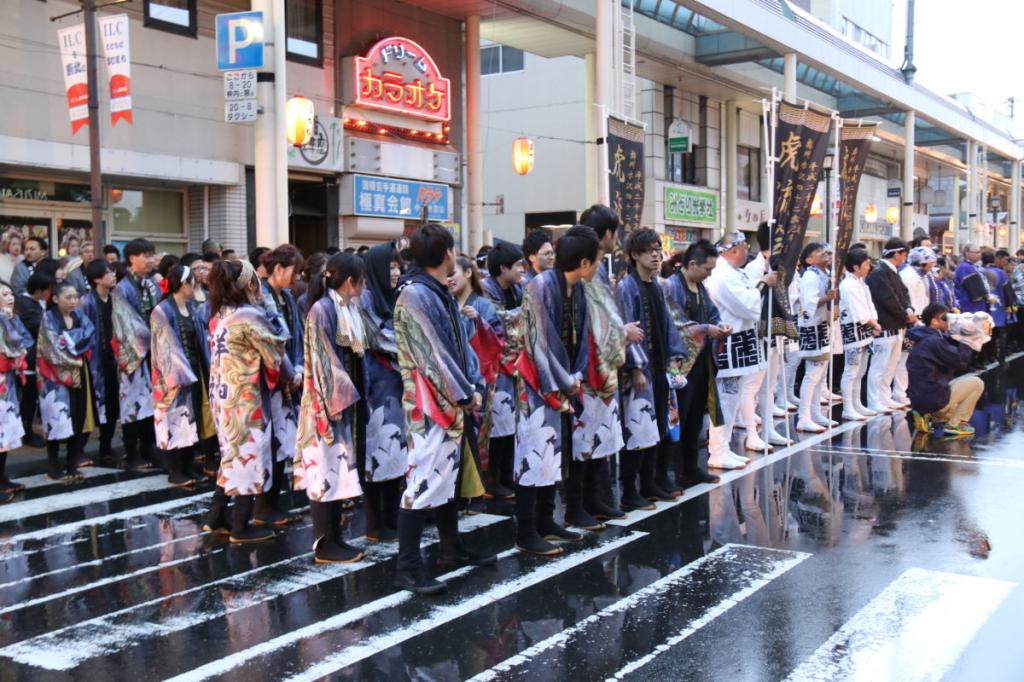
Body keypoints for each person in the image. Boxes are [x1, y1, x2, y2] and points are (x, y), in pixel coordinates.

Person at [392, 223, 493, 595]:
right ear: (447, 254)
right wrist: (465, 393)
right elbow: (432, 355)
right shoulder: (416, 294)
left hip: (444, 397)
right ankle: (407, 566)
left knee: (445, 478)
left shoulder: (431, 290)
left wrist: (468, 387)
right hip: (429, 403)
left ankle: (451, 548)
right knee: (423, 479)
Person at [515, 225, 603, 555]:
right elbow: (538, 342)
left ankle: (546, 520)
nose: (597, 266)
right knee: (533, 451)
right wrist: (566, 381)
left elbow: (580, 337)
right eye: (595, 260)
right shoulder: (540, 286)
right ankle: (525, 530)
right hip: (537, 383)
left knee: (555, 451)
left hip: (563, 381)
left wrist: (576, 374)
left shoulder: (577, 288)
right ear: (583, 262)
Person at [294, 252, 368, 564]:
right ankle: (325, 544)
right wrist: (337, 401)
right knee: (325, 469)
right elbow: (323, 361)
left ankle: (336, 538)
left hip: (342, 401)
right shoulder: (323, 310)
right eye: (362, 281)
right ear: (351, 282)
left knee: (337, 470)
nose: (364, 287)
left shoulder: (345, 307)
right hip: (328, 404)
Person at [206, 258, 287, 544]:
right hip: (246, 397)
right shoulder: (251, 316)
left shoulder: (220, 315)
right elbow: (275, 354)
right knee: (248, 455)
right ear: (249, 284)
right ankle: (241, 525)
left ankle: (216, 516)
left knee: (231, 453)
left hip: (222, 394)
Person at [617, 228, 687, 509]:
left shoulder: (656, 285)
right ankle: (630, 490)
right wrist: (634, 368)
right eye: (650, 251)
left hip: (658, 367)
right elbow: (626, 327)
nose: (657, 256)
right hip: (640, 370)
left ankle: (650, 483)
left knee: (656, 425)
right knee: (637, 427)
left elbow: (668, 326)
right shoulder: (626, 287)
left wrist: (675, 354)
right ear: (635, 255)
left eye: (658, 250)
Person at [578, 204, 636, 512]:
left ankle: (596, 500)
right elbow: (600, 319)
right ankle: (593, 501)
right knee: (594, 432)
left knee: (596, 433)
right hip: (593, 362)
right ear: (608, 233)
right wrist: (621, 331)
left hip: (593, 359)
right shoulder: (593, 269)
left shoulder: (592, 268)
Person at [705, 232, 775, 468]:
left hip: (738, 339)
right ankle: (717, 450)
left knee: (732, 397)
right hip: (728, 340)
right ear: (734, 250)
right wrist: (763, 284)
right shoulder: (722, 274)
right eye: (744, 247)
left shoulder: (733, 272)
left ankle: (723, 448)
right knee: (725, 398)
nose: (747, 251)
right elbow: (746, 305)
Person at [661, 240, 727, 487]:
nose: (709, 274)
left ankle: (691, 467)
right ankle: (671, 472)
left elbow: (713, 314)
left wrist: (718, 326)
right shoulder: (671, 286)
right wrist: (705, 329)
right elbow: (675, 325)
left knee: (696, 417)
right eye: (707, 269)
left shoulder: (700, 287)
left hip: (700, 362)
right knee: (678, 418)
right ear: (692, 264)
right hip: (681, 365)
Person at [357, 242, 407, 543]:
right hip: (375, 386)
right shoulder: (364, 299)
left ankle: (391, 518)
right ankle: (375, 523)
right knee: (377, 453)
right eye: (390, 266)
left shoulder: (395, 296)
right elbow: (377, 338)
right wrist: (408, 347)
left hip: (396, 386)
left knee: (396, 452)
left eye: (397, 265)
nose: (396, 271)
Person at [151, 265, 212, 488]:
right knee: (173, 419)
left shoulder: (193, 308)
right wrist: (179, 373)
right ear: (183, 284)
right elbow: (164, 346)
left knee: (190, 417)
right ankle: (174, 470)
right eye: (193, 283)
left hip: (194, 372)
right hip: (171, 376)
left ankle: (187, 465)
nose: (195, 287)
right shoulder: (162, 311)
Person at [449, 255, 499, 512]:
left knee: (476, 435)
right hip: (454, 380)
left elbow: (498, 342)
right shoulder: (445, 303)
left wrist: (478, 321)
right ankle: (462, 492)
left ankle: (476, 491)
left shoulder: (483, 305)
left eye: (453, 272)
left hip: (479, 379)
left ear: (468, 273)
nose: (450, 278)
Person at [260, 245, 305, 522]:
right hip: (271, 380)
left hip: (289, 377)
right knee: (270, 442)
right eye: (294, 271)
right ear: (278, 269)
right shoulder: (261, 298)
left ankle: (275, 503)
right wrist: (290, 373)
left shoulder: (287, 296)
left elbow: (296, 337)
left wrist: (298, 368)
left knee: (283, 442)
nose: (297, 277)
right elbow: (271, 344)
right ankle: (264, 507)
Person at [36, 281, 95, 481]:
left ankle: (71, 463)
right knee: (56, 419)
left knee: (77, 418)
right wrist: (75, 346)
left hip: (79, 374)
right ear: (55, 299)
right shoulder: (48, 318)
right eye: (68, 297)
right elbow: (51, 346)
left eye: (75, 297)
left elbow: (89, 334)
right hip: (54, 377)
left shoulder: (79, 316)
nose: (73, 301)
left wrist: (69, 341)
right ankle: (54, 467)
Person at [479, 241, 524, 500]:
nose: (522, 270)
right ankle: (492, 479)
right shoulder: (486, 291)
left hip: (515, 366)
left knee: (511, 425)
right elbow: (497, 324)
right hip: (496, 367)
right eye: (518, 265)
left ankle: (507, 475)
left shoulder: (517, 289)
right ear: (503, 267)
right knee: (497, 425)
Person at [112, 238, 160, 471]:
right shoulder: (122, 288)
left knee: (151, 403)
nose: (151, 260)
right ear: (132, 258)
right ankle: (131, 454)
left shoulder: (151, 284)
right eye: (146, 255)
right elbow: (125, 324)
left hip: (152, 352)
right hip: (133, 355)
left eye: (152, 255)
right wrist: (154, 339)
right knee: (132, 405)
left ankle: (148, 449)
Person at [906, 303, 983, 437]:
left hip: (919, 399)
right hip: (932, 398)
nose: (949, 321)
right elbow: (961, 362)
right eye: (945, 318)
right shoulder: (934, 341)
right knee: (976, 383)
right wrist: (966, 338)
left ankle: (929, 416)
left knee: (951, 395)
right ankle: (956, 423)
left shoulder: (923, 336)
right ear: (934, 322)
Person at [865, 237, 916, 413]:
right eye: (904, 254)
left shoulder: (892, 271)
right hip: (885, 325)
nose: (905, 258)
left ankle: (885, 397)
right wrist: (905, 313)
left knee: (891, 365)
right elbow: (887, 299)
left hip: (897, 324)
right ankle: (874, 400)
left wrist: (909, 309)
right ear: (896, 253)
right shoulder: (879, 272)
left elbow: (903, 294)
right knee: (880, 365)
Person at [794, 242, 839, 433]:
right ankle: (804, 417)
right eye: (820, 252)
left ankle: (815, 412)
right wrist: (827, 299)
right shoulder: (810, 276)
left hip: (823, 326)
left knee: (821, 375)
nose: (825, 255)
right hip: (812, 327)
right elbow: (809, 304)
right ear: (809, 259)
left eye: (827, 252)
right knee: (812, 375)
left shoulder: (826, 274)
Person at [79, 260, 120, 466]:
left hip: (112, 359)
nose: (113, 275)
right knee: (91, 405)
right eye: (108, 272)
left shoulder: (115, 299)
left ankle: (106, 447)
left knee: (112, 404)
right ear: (96, 279)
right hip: (93, 361)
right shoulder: (87, 302)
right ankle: (79, 450)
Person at [837, 249, 882, 421]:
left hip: (865, 330)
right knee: (851, 370)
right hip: (853, 330)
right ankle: (848, 407)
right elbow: (859, 312)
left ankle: (857, 404)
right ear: (856, 267)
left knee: (861, 370)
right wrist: (874, 323)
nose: (869, 267)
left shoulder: (861, 282)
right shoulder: (848, 285)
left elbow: (869, 306)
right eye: (866, 264)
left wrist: (874, 323)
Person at [0, 280, 31, 500]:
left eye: (10, 293)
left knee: (6, 433)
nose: (9, 298)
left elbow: (25, 341)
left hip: (7, 381)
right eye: (4, 294)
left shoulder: (13, 318)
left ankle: (2, 478)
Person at [15, 272, 50, 448]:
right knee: (28, 399)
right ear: (39, 290)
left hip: (33, 357)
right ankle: (26, 432)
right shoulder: (27, 306)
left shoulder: (34, 303)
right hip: (28, 359)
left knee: (30, 398)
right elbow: (40, 330)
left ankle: (26, 430)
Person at [980, 250, 1010, 364]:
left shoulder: (980, 271)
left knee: (986, 335)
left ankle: (986, 358)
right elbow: (1007, 291)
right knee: (1001, 335)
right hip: (999, 310)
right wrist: (1011, 305)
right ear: (994, 259)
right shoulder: (1001, 273)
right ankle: (1001, 359)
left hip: (985, 309)